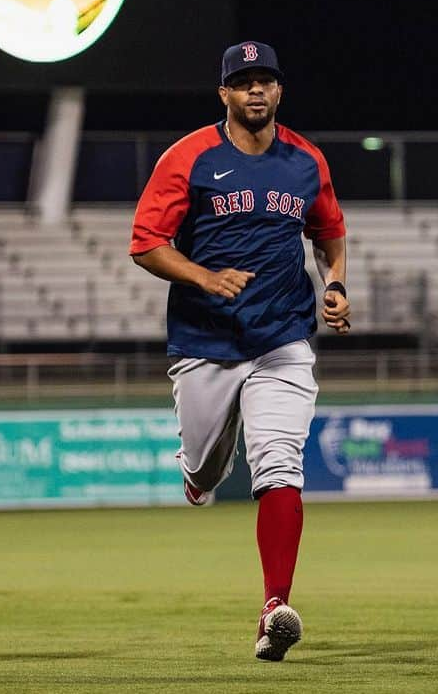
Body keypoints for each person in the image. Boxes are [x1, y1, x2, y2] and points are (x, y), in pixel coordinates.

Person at [129, 41, 350, 662]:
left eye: (266, 81)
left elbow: (329, 232)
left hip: (282, 338)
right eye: (243, 82)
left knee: (280, 464)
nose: (256, 91)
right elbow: (146, 243)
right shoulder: (189, 158)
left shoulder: (305, 160)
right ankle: (200, 475)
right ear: (224, 93)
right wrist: (203, 276)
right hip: (206, 342)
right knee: (204, 466)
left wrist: (334, 284)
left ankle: (274, 606)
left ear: (280, 91)